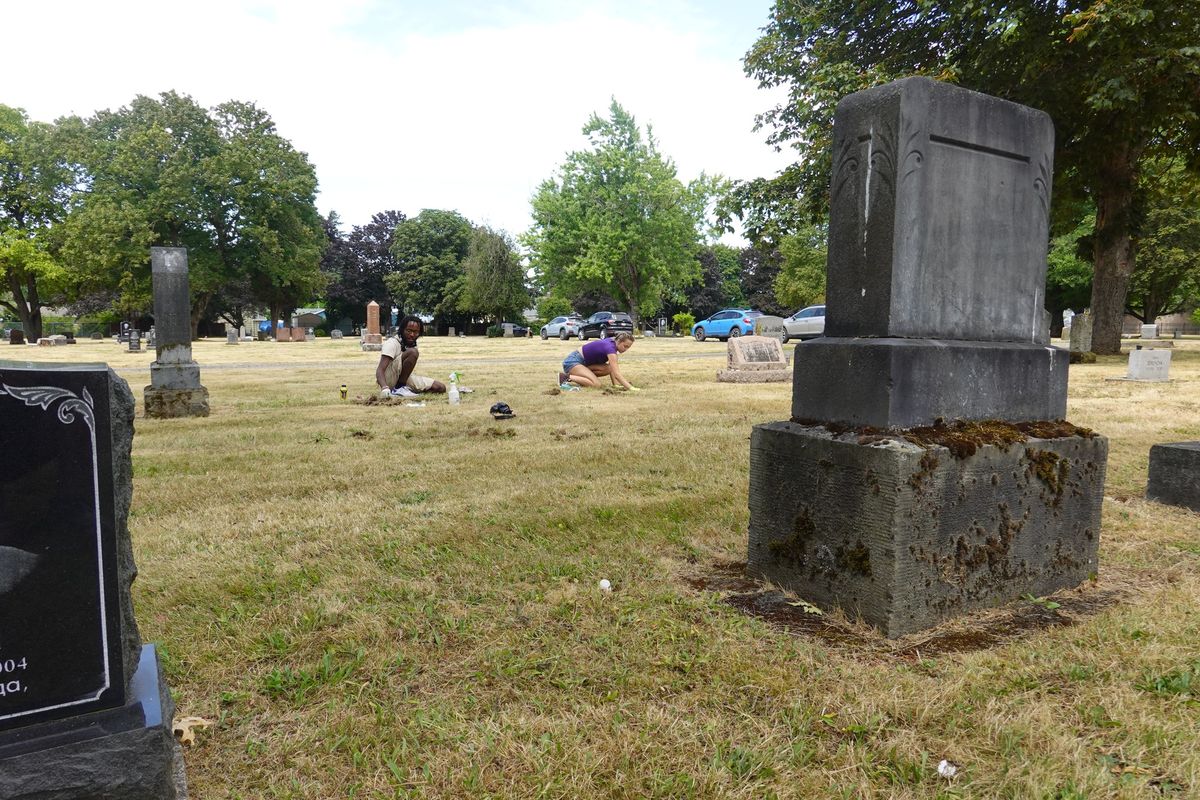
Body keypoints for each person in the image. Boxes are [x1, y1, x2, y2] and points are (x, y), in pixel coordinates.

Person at [376, 315, 446, 398]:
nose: (412, 334)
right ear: (402, 330)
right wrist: (384, 388)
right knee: (413, 352)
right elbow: (380, 370)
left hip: (403, 378)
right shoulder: (392, 343)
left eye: (416, 332)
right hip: (389, 379)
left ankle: (404, 390)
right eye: (409, 331)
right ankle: (399, 389)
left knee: (440, 387)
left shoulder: (411, 344)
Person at [560, 331, 640, 390]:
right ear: (619, 341)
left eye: (628, 347)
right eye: (625, 346)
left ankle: (584, 379)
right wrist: (631, 388)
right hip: (572, 362)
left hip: (583, 364)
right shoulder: (610, 349)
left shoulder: (613, 342)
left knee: (609, 368)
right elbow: (617, 374)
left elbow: (612, 368)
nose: (626, 349)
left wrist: (615, 385)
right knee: (596, 385)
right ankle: (565, 377)